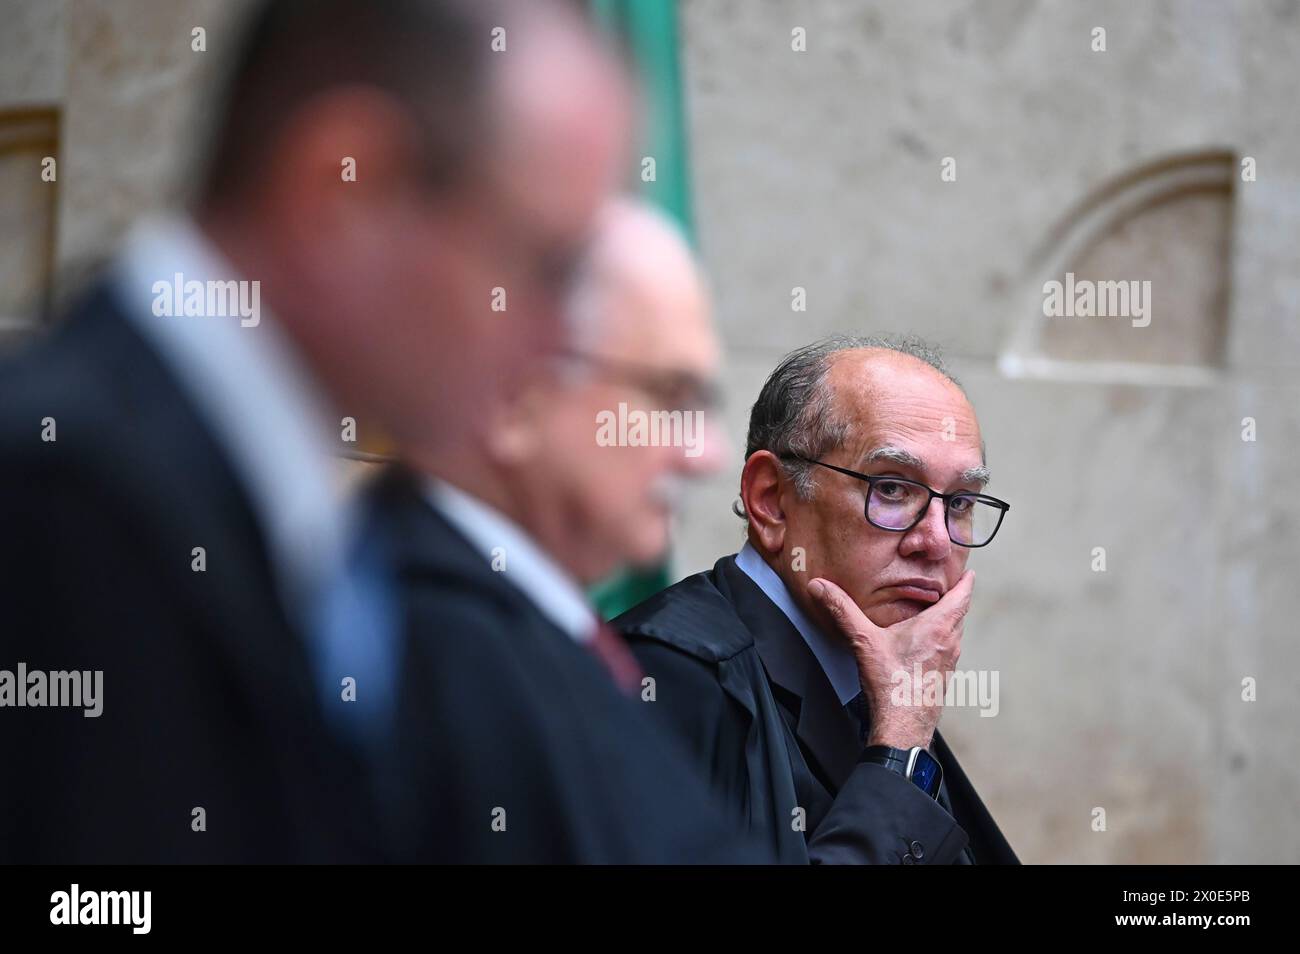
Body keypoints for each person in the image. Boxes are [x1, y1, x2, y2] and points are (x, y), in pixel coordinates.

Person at [0, 0, 631, 862]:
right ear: (346, 185)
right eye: (547, 266)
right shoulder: (59, 497)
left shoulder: (261, 509)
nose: (565, 340)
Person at [374, 199, 760, 862]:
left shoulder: (521, 633)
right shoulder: (420, 646)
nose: (708, 454)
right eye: (671, 396)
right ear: (514, 393)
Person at [613, 335, 1020, 864]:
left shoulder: (881, 680)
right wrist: (898, 747)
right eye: (893, 489)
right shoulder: (665, 672)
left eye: (960, 501)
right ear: (772, 501)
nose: (937, 541)